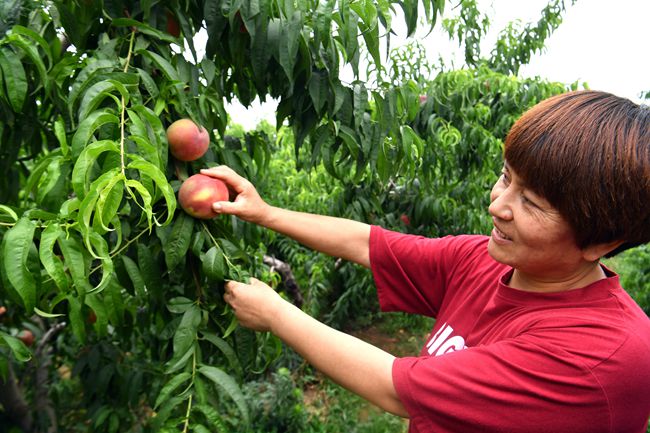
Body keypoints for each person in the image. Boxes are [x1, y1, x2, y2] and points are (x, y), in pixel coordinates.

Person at [200, 90, 650, 433]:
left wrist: (276, 313)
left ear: (601, 242)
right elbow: (368, 243)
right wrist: (265, 213)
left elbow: (394, 387)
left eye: (530, 202)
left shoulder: (600, 356)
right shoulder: (488, 260)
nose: (497, 205)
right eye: (505, 177)